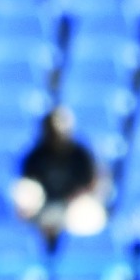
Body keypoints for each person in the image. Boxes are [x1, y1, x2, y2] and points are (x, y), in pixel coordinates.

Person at [12, 106, 107, 248]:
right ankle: (35, 246)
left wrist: (76, 197)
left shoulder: (80, 154)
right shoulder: (35, 156)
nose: (56, 134)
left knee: (91, 213)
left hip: (72, 209)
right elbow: (27, 185)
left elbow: (93, 183)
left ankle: (78, 255)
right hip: (42, 210)